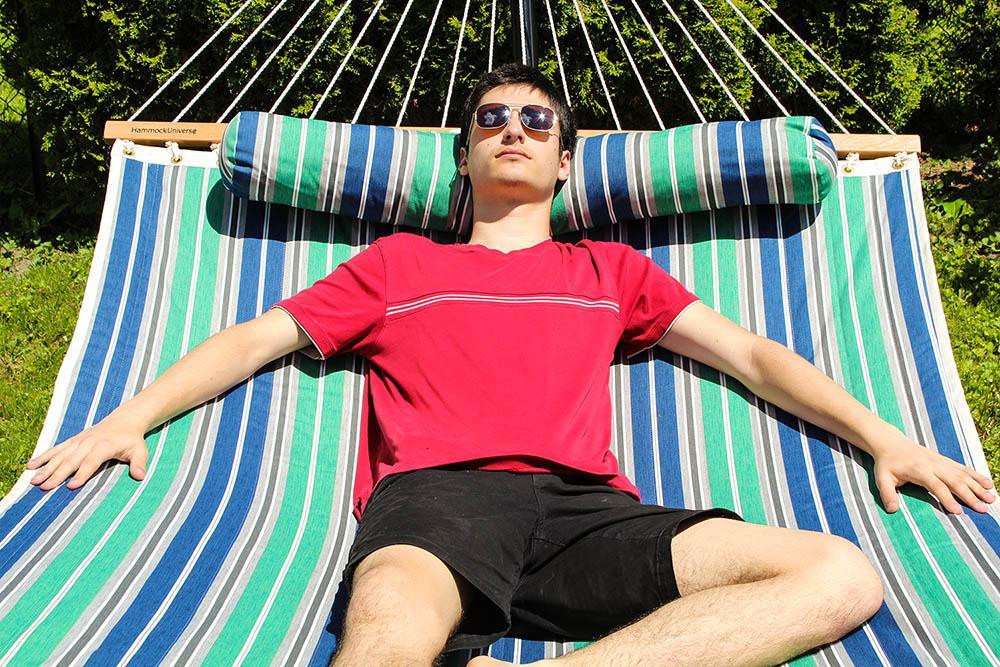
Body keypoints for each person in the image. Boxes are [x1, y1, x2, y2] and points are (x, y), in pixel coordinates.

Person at [24, 63, 996, 667]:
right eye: (493, 118)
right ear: (465, 155)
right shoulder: (400, 264)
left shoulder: (608, 270)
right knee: (386, 635)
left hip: (589, 510)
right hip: (439, 498)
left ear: (566, 162)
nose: (514, 132)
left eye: (537, 123)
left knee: (837, 574)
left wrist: (887, 437)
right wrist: (129, 415)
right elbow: (252, 338)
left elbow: (750, 352)